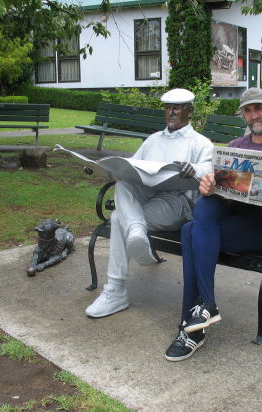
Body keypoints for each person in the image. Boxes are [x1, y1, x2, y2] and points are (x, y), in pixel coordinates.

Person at [165, 88, 262, 361]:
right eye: (248, 110)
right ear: (242, 114)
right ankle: (205, 308)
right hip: (231, 219)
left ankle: (192, 325)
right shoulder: (234, 147)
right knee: (203, 209)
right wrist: (207, 185)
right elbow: (218, 193)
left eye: (258, 108)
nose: (254, 115)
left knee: (190, 230)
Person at [85, 88, 214, 318]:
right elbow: (131, 167)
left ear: (190, 110)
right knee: (124, 186)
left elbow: (209, 171)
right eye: (167, 108)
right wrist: (108, 169)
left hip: (177, 203)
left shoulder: (200, 143)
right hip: (148, 197)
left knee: (117, 218)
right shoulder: (153, 140)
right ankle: (136, 233)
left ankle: (116, 289)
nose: (171, 112)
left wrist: (193, 169)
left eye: (177, 108)